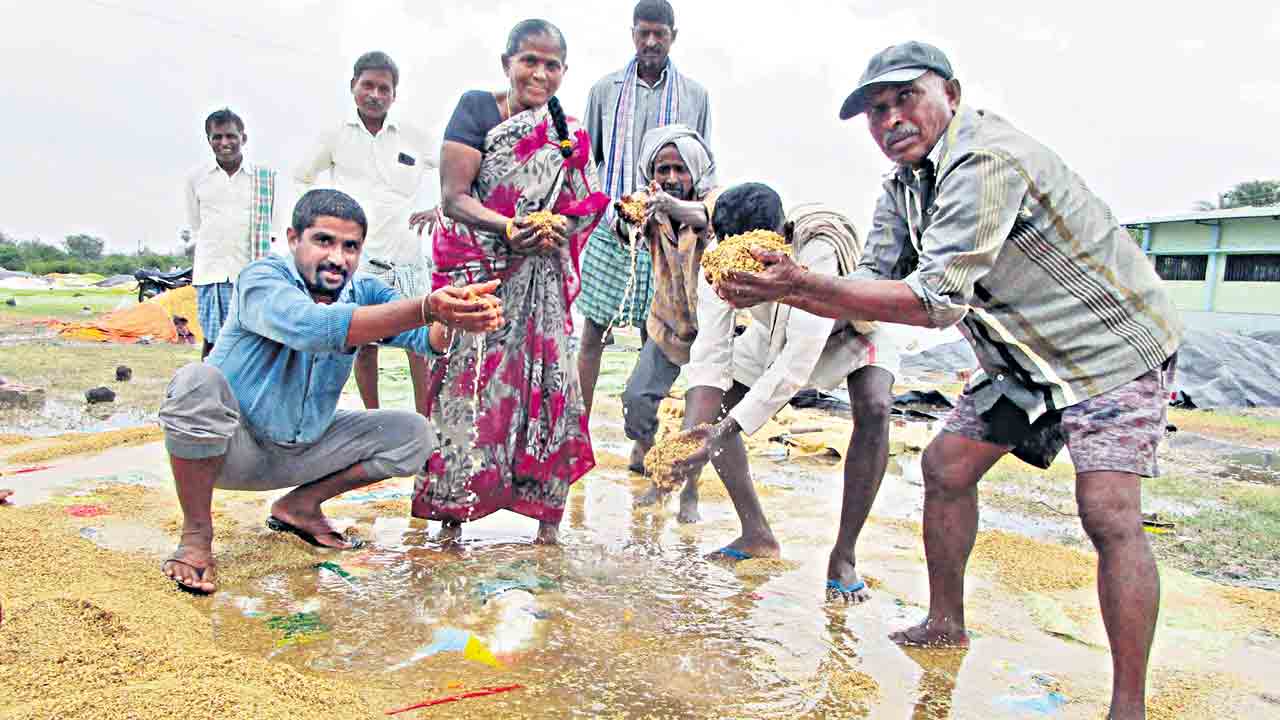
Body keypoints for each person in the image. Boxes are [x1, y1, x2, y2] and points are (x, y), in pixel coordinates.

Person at [715, 42, 1183, 719]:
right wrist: (780, 291)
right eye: (878, 110)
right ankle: (945, 623)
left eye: (906, 98)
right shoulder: (904, 188)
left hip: (1110, 347)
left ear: (952, 95)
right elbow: (866, 286)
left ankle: (1127, 706)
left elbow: (935, 301)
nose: (891, 119)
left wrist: (800, 284)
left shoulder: (985, 160)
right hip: (1023, 359)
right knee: (945, 468)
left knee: (1109, 512)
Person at [158, 189, 501, 595]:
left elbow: (427, 337)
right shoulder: (262, 279)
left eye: (350, 246)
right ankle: (197, 536)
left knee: (414, 433)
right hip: (231, 450)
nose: (338, 258)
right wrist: (428, 306)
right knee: (196, 381)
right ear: (292, 239)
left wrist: (460, 314)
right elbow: (311, 327)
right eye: (324, 241)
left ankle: (299, 506)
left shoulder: (365, 291)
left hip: (305, 450)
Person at [415, 19, 608, 545]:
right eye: (529, 61)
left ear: (564, 72)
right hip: (478, 273)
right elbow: (455, 196)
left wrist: (555, 229)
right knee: (466, 383)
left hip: (539, 281)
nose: (539, 74)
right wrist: (509, 228)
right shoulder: (478, 108)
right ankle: (452, 516)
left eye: (551, 65)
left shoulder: (566, 133)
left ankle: (547, 524)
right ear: (508, 63)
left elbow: (585, 205)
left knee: (551, 388)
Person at [668, 183, 900, 603]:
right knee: (724, 399)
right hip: (771, 332)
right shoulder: (719, 264)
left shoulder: (818, 247)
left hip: (847, 326)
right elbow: (710, 356)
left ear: (782, 237)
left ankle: (844, 556)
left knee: (876, 406)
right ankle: (756, 533)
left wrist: (722, 435)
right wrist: (690, 437)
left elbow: (799, 359)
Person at [577, 0, 713, 422]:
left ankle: (641, 440)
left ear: (674, 35)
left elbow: (702, 162)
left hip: (670, 234)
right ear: (632, 33)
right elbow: (585, 162)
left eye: (660, 33)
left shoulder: (694, 94)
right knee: (593, 333)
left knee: (653, 332)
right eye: (644, 33)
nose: (651, 41)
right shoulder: (605, 90)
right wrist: (608, 212)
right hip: (613, 229)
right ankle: (576, 432)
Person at [295, 51, 438, 421]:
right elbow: (300, 176)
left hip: (406, 256)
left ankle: (424, 425)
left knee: (418, 343)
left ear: (395, 94)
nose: (375, 94)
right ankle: (372, 421)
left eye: (384, 88)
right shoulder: (335, 136)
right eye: (368, 86)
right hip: (359, 262)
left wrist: (441, 209)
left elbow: (458, 165)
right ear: (353, 86)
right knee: (362, 343)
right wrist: (320, 228)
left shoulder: (413, 137)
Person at [609, 124, 718, 493]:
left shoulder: (717, 198)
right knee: (636, 398)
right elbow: (621, 229)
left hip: (717, 328)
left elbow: (706, 216)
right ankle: (645, 443)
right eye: (662, 170)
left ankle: (687, 491)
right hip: (669, 322)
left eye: (680, 169)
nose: (671, 178)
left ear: (695, 171)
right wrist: (626, 215)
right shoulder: (649, 207)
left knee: (700, 414)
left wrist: (671, 206)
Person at [185, 108, 277, 358]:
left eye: (230, 136)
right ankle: (208, 395)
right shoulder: (197, 179)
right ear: (209, 140)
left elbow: (273, 229)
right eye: (217, 137)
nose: (224, 143)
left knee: (252, 344)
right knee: (213, 343)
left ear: (243, 138)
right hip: (211, 273)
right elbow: (196, 225)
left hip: (249, 274)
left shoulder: (264, 178)